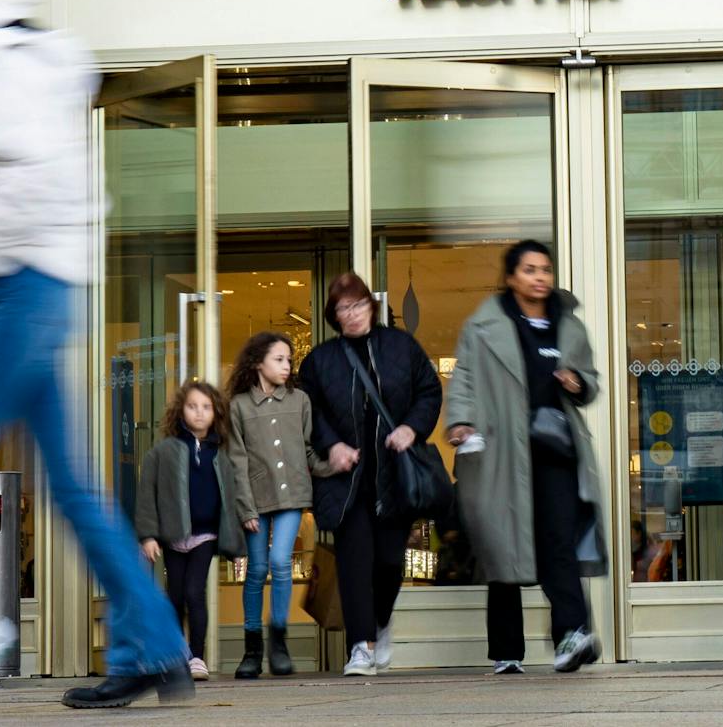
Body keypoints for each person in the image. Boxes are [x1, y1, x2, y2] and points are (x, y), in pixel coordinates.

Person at [0, 0, 192, 710]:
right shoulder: (16, 54)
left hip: (15, 283)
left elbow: (6, 176)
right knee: (71, 484)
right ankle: (154, 647)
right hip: (31, 285)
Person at [446, 240, 606, 676]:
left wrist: (578, 383)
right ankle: (506, 649)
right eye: (531, 270)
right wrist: (460, 420)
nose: (541, 278)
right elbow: (464, 377)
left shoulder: (568, 325)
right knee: (504, 544)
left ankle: (571, 635)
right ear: (512, 277)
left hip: (555, 450)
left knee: (558, 542)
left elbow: (590, 378)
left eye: (546, 270)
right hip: (501, 449)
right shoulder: (483, 326)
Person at [297, 272, 442, 677]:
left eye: (359, 305)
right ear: (334, 316)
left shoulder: (401, 346)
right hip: (347, 479)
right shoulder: (319, 361)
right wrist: (332, 446)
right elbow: (309, 411)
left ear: (372, 307)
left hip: (394, 474)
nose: (354, 313)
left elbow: (429, 391)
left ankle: (380, 623)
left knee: (389, 562)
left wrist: (412, 428)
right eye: (345, 308)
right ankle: (361, 645)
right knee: (354, 562)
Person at [136, 381, 244, 682]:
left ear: (216, 413)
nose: (199, 413)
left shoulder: (220, 455)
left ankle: (197, 656)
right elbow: (148, 494)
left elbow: (231, 500)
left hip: (205, 535)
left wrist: (236, 548)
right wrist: (148, 535)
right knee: (176, 595)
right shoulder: (163, 451)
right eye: (192, 406)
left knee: (195, 592)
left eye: (206, 407)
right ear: (180, 410)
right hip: (173, 535)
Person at [224, 331, 317, 678]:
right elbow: (237, 461)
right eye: (279, 359)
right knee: (257, 568)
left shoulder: (300, 400)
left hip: (292, 495)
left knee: (280, 562)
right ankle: (252, 649)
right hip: (256, 500)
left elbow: (308, 449)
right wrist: (246, 509)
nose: (286, 366)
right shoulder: (239, 407)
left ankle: (279, 644)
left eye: (289, 360)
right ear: (258, 362)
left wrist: (331, 465)